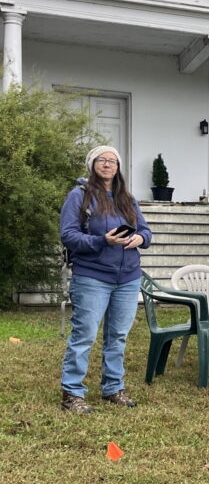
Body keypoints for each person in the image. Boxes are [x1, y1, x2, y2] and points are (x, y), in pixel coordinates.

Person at [58, 145, 152, 413]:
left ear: (118, 167)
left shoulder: (127, 198)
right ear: (92, 164)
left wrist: (140, 238)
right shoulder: (79, 196)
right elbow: (68, 235)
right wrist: (103, 240)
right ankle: (72, 393)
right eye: (102, 160)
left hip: (128, 277)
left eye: (113, 161)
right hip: (92, 276)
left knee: (118, 336)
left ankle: (112, 387)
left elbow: (146, 231)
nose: (108, 164)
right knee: (84, 335)